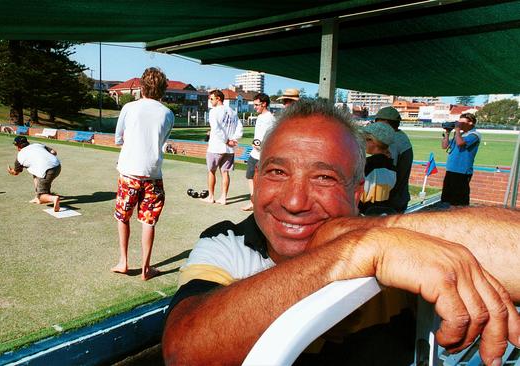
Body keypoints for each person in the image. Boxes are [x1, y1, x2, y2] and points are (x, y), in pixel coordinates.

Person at [163, 99, 520, 366]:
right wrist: (354, 252)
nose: (294, 201)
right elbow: (182, 352)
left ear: (357, 192)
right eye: (276, 173)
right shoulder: (228, 242)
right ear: (255, 181)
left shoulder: (398, 237)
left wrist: (371, 236)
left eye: (324, 177)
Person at [111, 67, 174, 281]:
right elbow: (162, 141)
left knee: (123, 216)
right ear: (163, 90)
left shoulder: (129, 107)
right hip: (153, 174)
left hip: (129, 172)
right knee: (149, 221)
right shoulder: (168, 113)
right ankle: (146, 269)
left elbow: (118, 138)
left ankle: (124, 261)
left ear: (142, 87)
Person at [202, 89, 243, 205]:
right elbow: (240, 128)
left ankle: (211, 197)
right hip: (229, 149)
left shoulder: (214, 112)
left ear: (218, 98)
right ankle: (223, 198)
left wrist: (227, 141)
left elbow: (216, 129)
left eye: (211, 99)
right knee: (225, 173)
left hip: (216, 147)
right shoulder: (233, 112)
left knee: (211, 171)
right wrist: (233, 140)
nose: (210, 101)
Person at [7, 136, 61, 212]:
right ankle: (38, 196)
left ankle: (52, 198)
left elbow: (16, 172)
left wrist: (10, 171)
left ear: (18, 146)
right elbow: (54, 152)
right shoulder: (37, 145)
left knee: (41, 197)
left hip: (47, 170)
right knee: (35, 173)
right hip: (57, 166)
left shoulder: (20, 156)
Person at [375, 106, 413, 213]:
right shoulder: (401, 137)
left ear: (385, 123)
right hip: (399, 198)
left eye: (377, 122)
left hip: (390, 200)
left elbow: (385, 173)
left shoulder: (392, 140)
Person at [242, 93, 275, 211]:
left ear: (264, 104)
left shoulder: (270, 118)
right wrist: (255, 144)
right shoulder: (260, 117)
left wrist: (259, 145)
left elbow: (270, 137)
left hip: (263, 156)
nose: (255, 107)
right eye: (254, 105)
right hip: (254, 154)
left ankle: (261, 204)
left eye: (256, 105)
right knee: (250, 177)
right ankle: (253, 202)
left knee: (263, 181)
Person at [441, 113, 482, 206]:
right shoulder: (460, 134)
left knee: (460, 201)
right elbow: (444, 146)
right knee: (447, 199)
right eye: (458, 122)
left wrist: (458, 130)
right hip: (451, 169)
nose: (459, 124)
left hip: (462, 171)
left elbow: (460, 143)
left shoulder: (475, 135)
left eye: (462, 122)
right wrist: (447, 132)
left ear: (471, 123)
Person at [359, 121, 397, 215]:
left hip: (364, 215)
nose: (363, 142)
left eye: (366, 139)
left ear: (374, 142)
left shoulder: (367, 165)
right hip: (383, 214)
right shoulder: (392, 166)